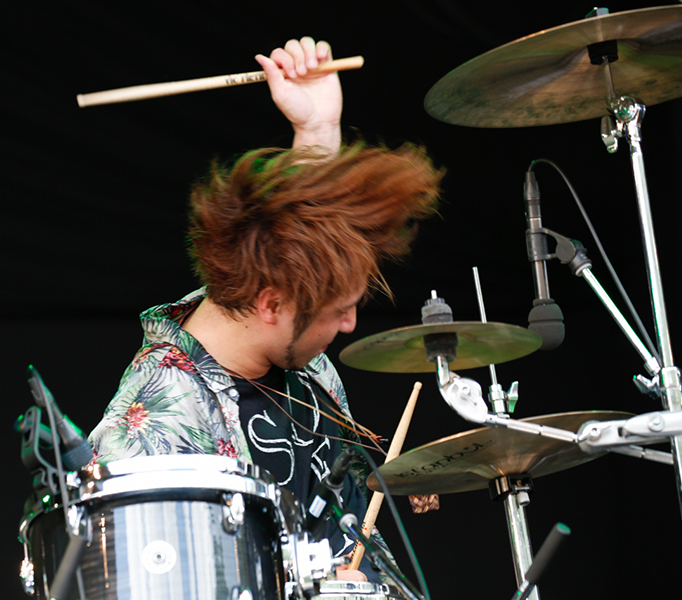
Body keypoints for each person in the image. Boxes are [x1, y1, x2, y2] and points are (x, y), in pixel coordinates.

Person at [87, 37, 441, 584]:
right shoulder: (151, 432)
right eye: (338, 311)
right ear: (272, 304)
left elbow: (294, 228)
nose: (350, 325)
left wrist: (318, 129)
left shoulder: (278, 318)